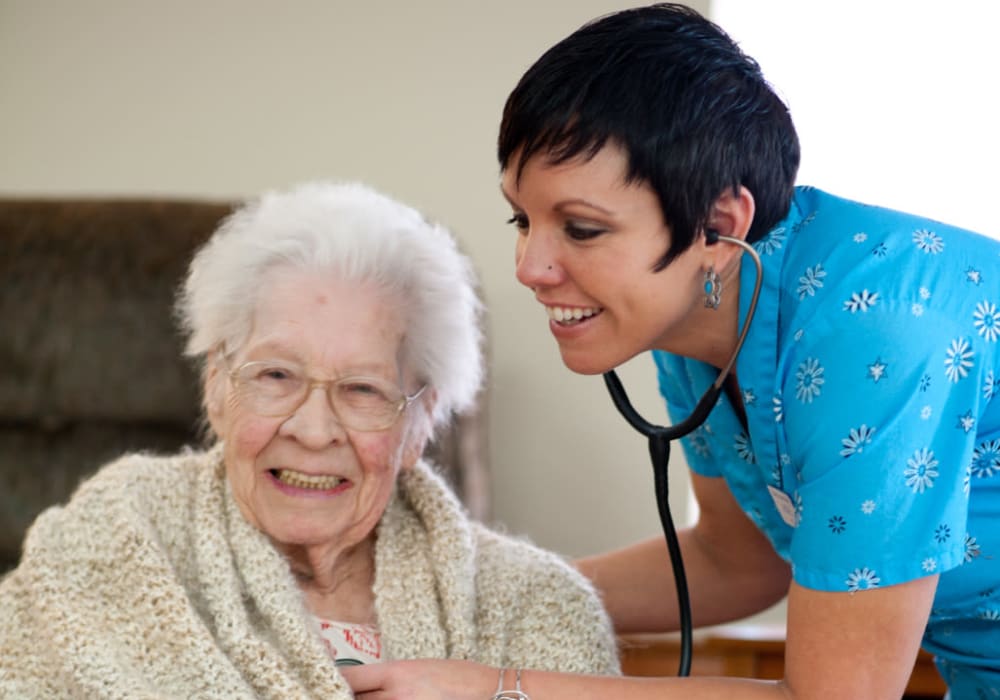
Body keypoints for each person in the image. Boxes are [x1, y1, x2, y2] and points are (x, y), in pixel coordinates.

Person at [342, 4, 1000, 698]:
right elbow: (734, 560)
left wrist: (491, 687)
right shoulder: (700, 319)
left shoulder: (880, 336)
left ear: (719, 226)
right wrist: (476, 599)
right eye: (522, 218)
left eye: (582, 229)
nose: (529, 267)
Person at [0, 182, 620, 698]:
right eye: (276, 376)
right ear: (216, 385)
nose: (314, 430)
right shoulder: (116, 536)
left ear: (420, 422)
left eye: (362, 390)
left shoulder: (531, 610)